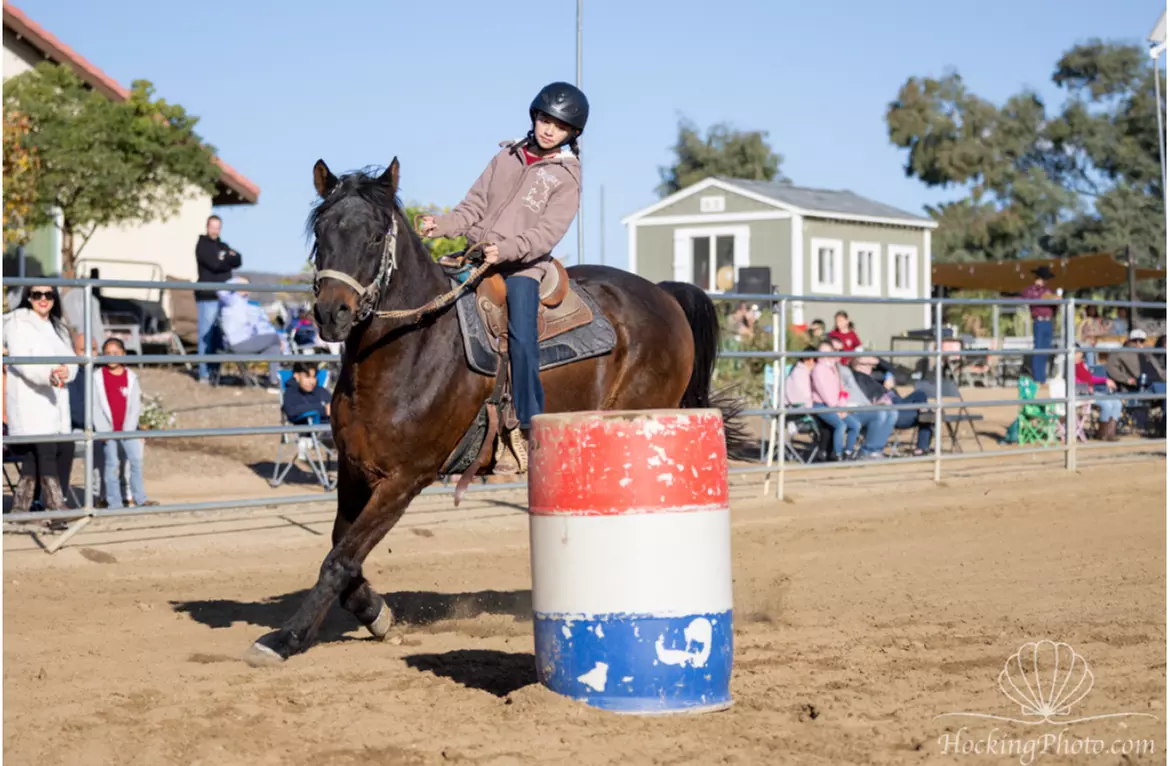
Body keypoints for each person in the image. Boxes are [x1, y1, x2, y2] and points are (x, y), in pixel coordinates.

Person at [418, 82, 585, 444]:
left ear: (572, 133)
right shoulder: (506, 157)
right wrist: (441, 225)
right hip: (478, 255)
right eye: (545, 120)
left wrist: (506, 250)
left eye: (559, 126)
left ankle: (529, 423)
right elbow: (473, 206)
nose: (549, 129)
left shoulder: (567, 178)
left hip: (523, 266)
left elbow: (547, 233)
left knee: (522, 337)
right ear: (534, 117)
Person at [3, 285, 78, 511]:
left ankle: (21, 508)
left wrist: (67, 371)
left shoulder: (59, 327)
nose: (43, 299)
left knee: (61, 450)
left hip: (57, 402)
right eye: (37, 294)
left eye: (49, 295)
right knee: (46, 451)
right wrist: (48, 374)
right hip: (30, 401)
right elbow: (21, 361)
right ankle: (56, 507)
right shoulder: (17, 323)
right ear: (28, 297)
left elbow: (72, 359)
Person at [94, 338, 156, 508]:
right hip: (108, 430)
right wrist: (103, 430)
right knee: (112, 464)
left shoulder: (131, 377)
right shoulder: (97, 377)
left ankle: (140, 498)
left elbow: (135, 405)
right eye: (107, 353)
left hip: (129, 429)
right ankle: (114, 502)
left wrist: (130, 429)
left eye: (115, 353)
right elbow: (95, 406)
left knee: (136, 462)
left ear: (123, 354)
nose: (111, 356)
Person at [195, 215, 242, 384]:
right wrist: (226, 259)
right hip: (208, 297)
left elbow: (238, 259)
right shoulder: (202, 245)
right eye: (212, 226)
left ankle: (215, 372)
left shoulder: (223, 246)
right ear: (207, 227)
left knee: (219, 337)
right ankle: (203, 373)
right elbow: (213, 264)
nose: (214, 230)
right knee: (206, 335)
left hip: (224, 299)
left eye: (217, 227)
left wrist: (224, 258)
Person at [217, 277, 284, 389]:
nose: (247, 289)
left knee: (274, 346)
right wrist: (237, 281)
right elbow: (220, 290)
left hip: (247, 342)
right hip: (237, 344)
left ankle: (274, 381)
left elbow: (259, 326)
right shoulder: (231, 300)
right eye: (244, 286)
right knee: (275, 338)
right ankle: (284, 364)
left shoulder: (247, 304)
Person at [809, 340, 860, 460]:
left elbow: (840, 388)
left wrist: (841, 406)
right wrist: (836, 408)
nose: (826, 354)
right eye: (823, 352)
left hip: (835, 405)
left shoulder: (833, 367)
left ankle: (848, 452)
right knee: (841, 425)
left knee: (855, 425)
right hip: (821, 404)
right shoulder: (818, 369)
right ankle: (837, 454)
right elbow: (823, 392)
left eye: (829, 351)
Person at [1020, 266, 1057, 384]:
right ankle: (1038, 378)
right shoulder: (1030, 290)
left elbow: (1056, 305)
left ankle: (1042, 377)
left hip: (1048, 321)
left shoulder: (1049, 291)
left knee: (1045, 350)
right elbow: (1027, 297)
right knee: (1039, 349)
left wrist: (1055, 300)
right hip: (1039, 321)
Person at [1074, 348, 1120, 442]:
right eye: (1077, 353)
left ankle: (1110, 433)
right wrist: (1085, 387)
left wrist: (1105, 380)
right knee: (1107, 404)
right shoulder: (1069, 366)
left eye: (1080, 352)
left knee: (1117, 403)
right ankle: (1102, 433)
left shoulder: (1082, 365)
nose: (1079, 355)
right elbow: (1073, 381)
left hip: (1090, 392)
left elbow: (1090, 378)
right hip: (1080, 393)